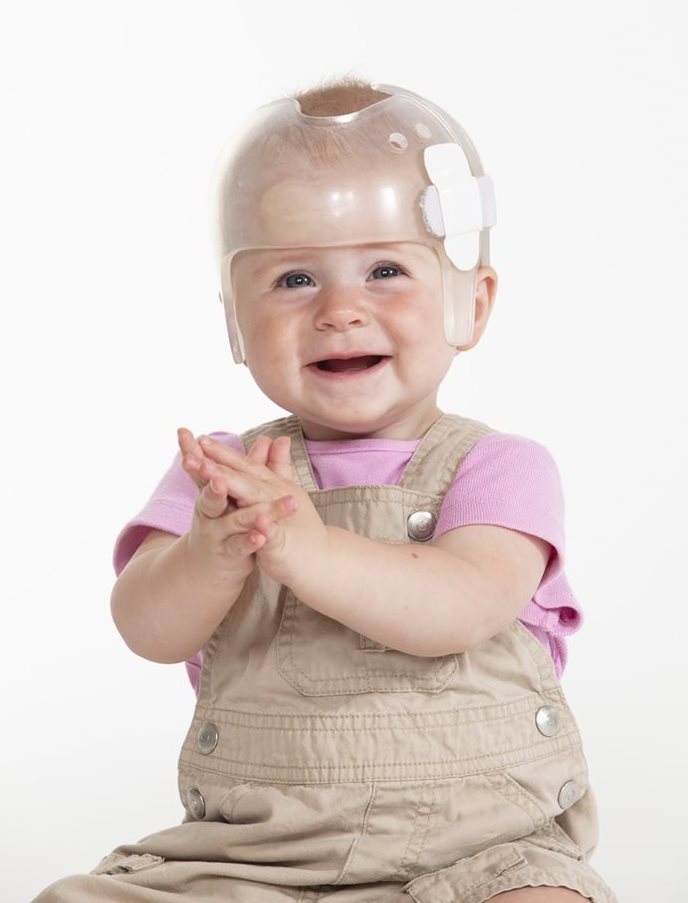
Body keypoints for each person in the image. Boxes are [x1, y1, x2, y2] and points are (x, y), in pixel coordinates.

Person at [34, 79, 618, 902]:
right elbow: (146, 626)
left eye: (385, 269)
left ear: (470, 302)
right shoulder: (227, 474)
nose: (341, 310)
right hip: (254, 857)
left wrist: (305, 548)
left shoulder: (499, 467)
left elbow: (460, 605)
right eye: (295, 280)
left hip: (479, 850)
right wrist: (211, 552)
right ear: (236, 320)